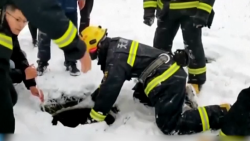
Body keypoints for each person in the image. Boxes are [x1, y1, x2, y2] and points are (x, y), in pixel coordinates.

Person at [41, 26, 231, 135]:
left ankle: (220, 113)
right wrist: (96, 96)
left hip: (167, 80)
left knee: (169, 126)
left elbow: (111, 87)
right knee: (140, 95)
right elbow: (109, 81)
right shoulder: (115, 46)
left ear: (94, 47)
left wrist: (95, 116)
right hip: (163, 74)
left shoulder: (115, 58)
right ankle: (182, 97)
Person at [0, 0, 91, 133]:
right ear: (4, 12)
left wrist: (30, 81)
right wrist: (22, 75)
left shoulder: (5, 26)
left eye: (24, 21)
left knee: (10, 93)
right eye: (18, 19)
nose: (21, 25)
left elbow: (16, 51)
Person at [143, 0, 215, 94]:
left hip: (192, 10)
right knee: (160, 46)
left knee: (192, 46)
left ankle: (196, 81)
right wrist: (149, 9)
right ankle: (161, 74)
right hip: (166, 10)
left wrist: (203, 11)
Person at [37, 0, 85, 76]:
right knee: (44, 32)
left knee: (71, 32)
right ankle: (43, 61)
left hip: (69, 4)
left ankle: (71, 61)